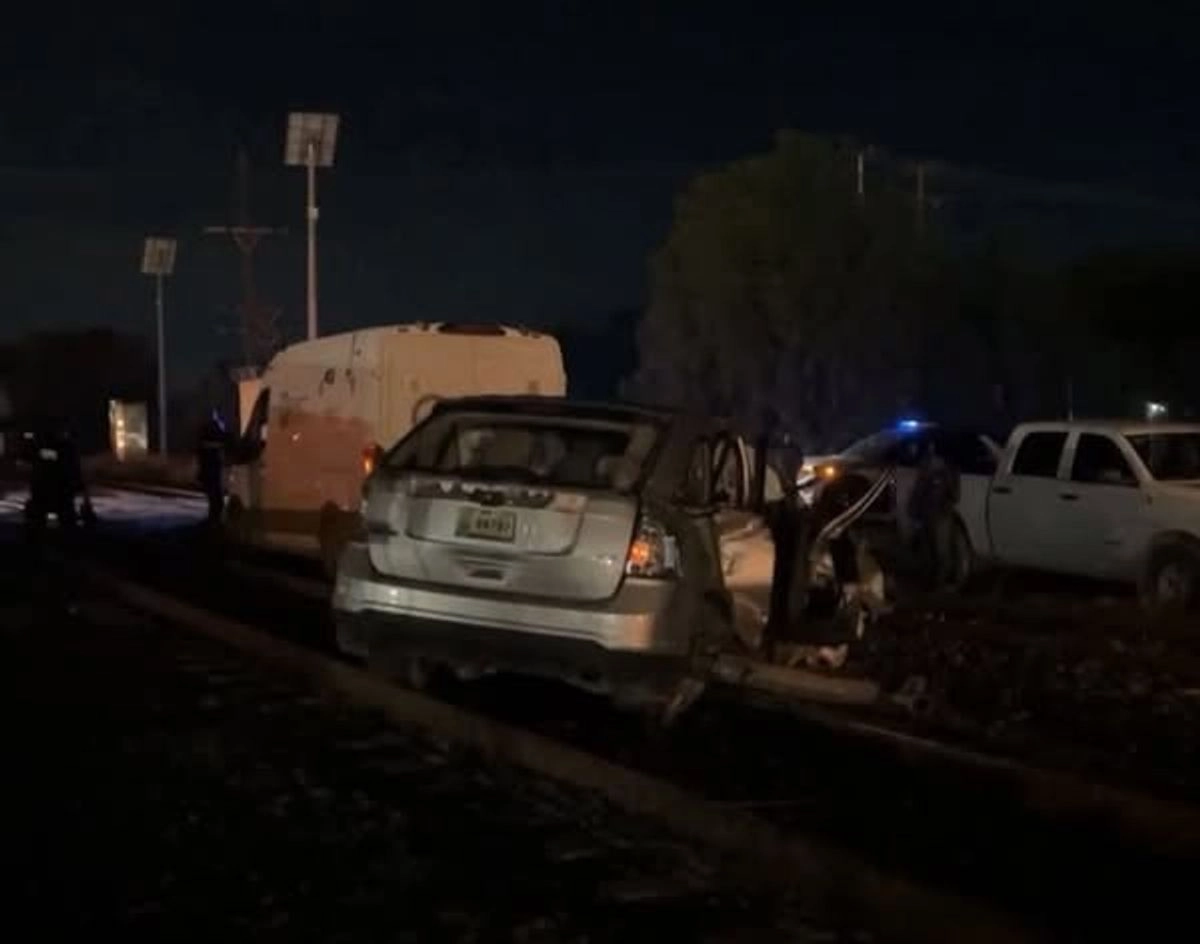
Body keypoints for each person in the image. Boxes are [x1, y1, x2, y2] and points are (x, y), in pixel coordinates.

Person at [907, 439, 961, 590]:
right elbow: (918, 491)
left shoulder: (949, 470)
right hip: (927, 514)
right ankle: (933, 581)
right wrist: (914, 511)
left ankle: (943, 583)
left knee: (941, 550)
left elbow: (955, 495)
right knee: (929, 551)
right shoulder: (926, 468)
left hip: (939, 515)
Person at [196, 409, 227, 524]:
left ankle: (214, 518)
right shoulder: (212, 431)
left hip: (211, 468)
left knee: (214, 497)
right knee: (215, 497)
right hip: (212, 468)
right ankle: (215, 520)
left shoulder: (205, 433)